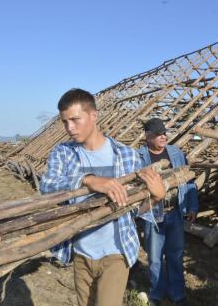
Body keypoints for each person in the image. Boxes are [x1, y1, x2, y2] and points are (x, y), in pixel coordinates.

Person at [40, 89, 166, 306]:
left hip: (116, 252)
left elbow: (134, 209)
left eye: (75, 120)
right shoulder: (63, 153)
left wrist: (155, 197)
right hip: (81, 252)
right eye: (65, 122)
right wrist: (87, 179)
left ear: (94, 116)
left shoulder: (126, 155)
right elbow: (47, 186)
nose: (69, 128)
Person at [139, 118, 198, 306]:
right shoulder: (139, 157)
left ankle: (177, 294)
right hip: (153, 214)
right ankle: (156, 294)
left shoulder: (175, 153)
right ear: (148, 136)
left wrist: (192, 205)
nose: (164, 136)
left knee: (176, 254)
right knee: (155, 257)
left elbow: (188, 180)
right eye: (158, 133)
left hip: (175, 211)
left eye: (164, 132)